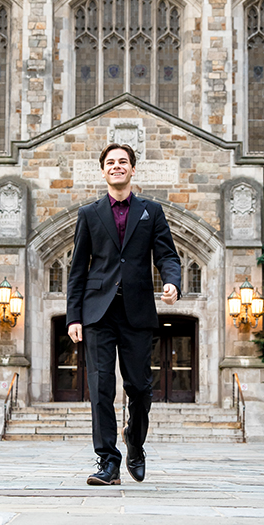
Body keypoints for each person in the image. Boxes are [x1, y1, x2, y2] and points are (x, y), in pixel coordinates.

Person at [66, 143, 181, 485]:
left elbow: (168, 255)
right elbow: (77, 270)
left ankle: (135, 441)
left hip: (137, 312)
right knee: (101, 388)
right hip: (97, 313)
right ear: (103, 171)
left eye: (123, 162)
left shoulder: (151, 211)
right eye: (111, 163)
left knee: (141, 389)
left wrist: (172, 282)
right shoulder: (89, 214)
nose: (117, 167)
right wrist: (74, 316)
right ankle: (108, 462)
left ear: (133, 170)